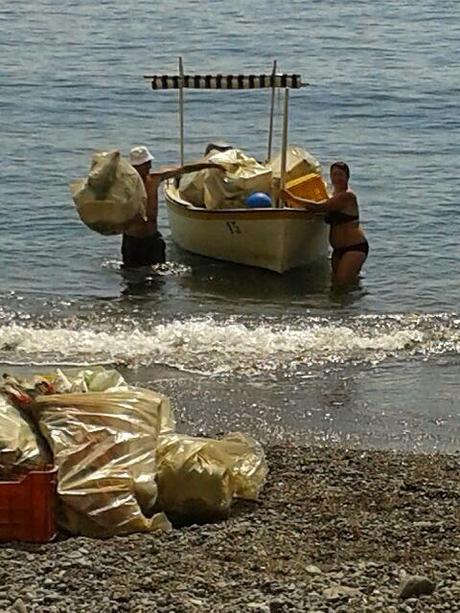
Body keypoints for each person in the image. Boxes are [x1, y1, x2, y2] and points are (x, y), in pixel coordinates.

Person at [122, 145, 225, 268]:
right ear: (135, 166)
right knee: (132, 279)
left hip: (152, 238)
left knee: (157, 278)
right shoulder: (124, 184)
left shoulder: (154, 179)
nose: (149, 166)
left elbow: (184, 169)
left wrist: (211, 165)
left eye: (149, 163)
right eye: (145, 164)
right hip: (133, 241)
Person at [282, 161, 369, 289]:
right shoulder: (332, 195)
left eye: (340, 175)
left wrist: (291, 197)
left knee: (342, 285)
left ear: (347, 177)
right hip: (338, 250)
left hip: (354, 248)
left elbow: (319, 207)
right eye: (334, 175)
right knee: (336, 286)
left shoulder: (347, 196)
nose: (337, 178)